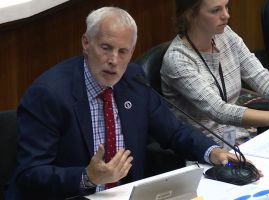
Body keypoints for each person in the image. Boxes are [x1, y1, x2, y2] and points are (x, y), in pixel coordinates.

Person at [4, 6, 254, 200]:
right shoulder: (49, 94)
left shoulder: (134, 80)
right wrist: (87, 177)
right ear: (86, 44)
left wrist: (215, 153)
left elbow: (174, 132)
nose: (113, 60)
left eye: (123, 51)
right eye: (105, 48)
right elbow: (30, 174)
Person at [160, 0, 269, 147]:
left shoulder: (225, 34)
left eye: (226, 7)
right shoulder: (178, 60)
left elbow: (263, 80)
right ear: (190, 14)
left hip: (242, 140)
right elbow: (219, 110)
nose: (226, 15)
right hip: (207, 150)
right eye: (216, 10)